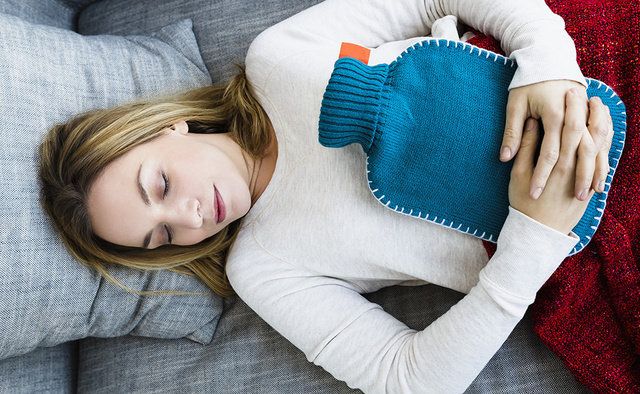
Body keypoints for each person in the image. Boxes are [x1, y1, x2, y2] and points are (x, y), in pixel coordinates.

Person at [38, 0, 615, 392]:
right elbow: (407, 380)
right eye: (162, 235)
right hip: (585, 249)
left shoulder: (280, 58)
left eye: (159, 185)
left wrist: (548, 64)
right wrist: (534, 238)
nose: (187, 217)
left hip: (579, 70)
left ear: (170, 127)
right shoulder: (263, 267)